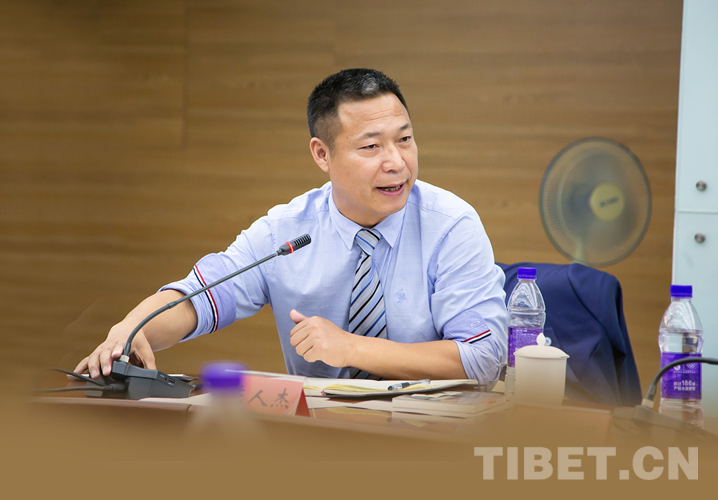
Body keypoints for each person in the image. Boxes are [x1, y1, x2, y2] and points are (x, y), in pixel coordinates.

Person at [75, 68, 508, 383]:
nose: (396, 162)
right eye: (371, 147)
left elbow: (484, 356)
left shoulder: (451, 226)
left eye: (405, 140)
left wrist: (353, 348)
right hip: (318, 440)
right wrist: (131, 329)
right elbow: (201, 297)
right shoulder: (285, 232)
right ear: (322, 155)